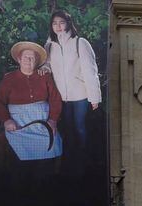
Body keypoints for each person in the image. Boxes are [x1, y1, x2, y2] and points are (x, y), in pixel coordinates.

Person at [40, 10, 102, 152]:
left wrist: (94, 98)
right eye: (55, 23)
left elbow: (90, 71)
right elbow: (48, 64)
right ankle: (70, 156)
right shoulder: (50, 45)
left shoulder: (80, 42)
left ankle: (84, 154)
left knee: (80, 126)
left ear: (68, 23)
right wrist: (45, 68)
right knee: (67, 127)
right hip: (61, 96)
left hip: (80, 95)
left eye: (61, 22)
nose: (58, 26)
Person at [0, 41, 63, 160]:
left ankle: (48, 174)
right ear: (19, 59)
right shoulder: (9, 79)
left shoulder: (44, 76)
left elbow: (55, 99)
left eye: (32, 57)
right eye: (25, 57)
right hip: (19, 124)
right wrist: (6, 120)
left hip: (43, 123)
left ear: (36, 61)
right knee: (17, 148)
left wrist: (52, 120)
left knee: (53, 143)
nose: (28, 59)